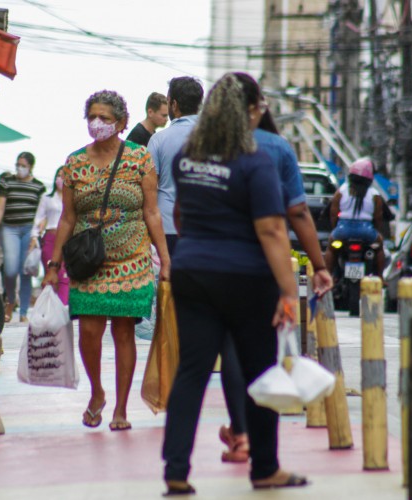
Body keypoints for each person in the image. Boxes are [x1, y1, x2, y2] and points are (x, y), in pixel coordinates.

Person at [161, 73, 306, 495]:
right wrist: (288, 292)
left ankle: (175, 471)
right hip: (245, 278)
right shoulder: (255, 161)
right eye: (260, 109)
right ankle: (265, 468)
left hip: (192, 272)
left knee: (192, 371)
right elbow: (273, 230)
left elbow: (183, 216)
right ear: (249, 113)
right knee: (259, 372)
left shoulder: (186, 156)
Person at [215, 73, 335, 463]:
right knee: (262, 352)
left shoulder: (209, 146)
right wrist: (319, 264)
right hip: (265, 262)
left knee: (231, 350)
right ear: (257, 107)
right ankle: (261, 450)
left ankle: (241, 433)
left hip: (221, 261)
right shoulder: (278, 148)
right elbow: (297, 211)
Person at [42, 90, 170, 431]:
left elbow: (152, 212)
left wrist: (166, 260)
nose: (96, 124)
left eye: (104, 118)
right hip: (88, 262)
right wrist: (53, 266)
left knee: (124, 332)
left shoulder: (140, 158)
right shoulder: (75, 162)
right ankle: (97, 392)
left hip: (132, 260)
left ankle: (121, 409)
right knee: (89, 332)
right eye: (92, 117)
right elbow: (67, 218)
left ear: (122, 123)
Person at [147, 77, 204, 255]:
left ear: (174, 104)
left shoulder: (158, 140)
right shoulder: (215, 137)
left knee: (170, 281)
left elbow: (149, 190)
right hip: (205, 227)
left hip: (168, 227)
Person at [0, 153, 46, 323]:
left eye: (23, 165)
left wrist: (38, 232)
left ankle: (24, 311)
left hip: (29, 230)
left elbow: (42, 213)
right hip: (9, 229)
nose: (20, 168)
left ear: (31, 167)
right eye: (18, 165)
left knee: (25, 271)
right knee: (10, 270)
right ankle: (10, 301)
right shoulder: (7, 182)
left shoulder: (39, 187)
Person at [323, 157, 386, 276]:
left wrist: (335, 228)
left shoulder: (341, 191)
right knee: (379, 247)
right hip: (366, 231)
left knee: (331, 247)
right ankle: (380, 277)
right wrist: (376, 231)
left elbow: (333, 214)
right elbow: (378, 217)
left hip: (343, 230)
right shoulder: (374, 194)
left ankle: (328, 276)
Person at [29, 166, 69, 304]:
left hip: (68, 240)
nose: (61, 179)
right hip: (50, 239)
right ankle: (48, 309)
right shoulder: (46, 198)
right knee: (50, 273)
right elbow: (38, 219)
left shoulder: (72, 198)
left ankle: (63, 309)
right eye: (59, 175)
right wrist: (34, 236)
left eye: (64, 176)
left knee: (64, 275)